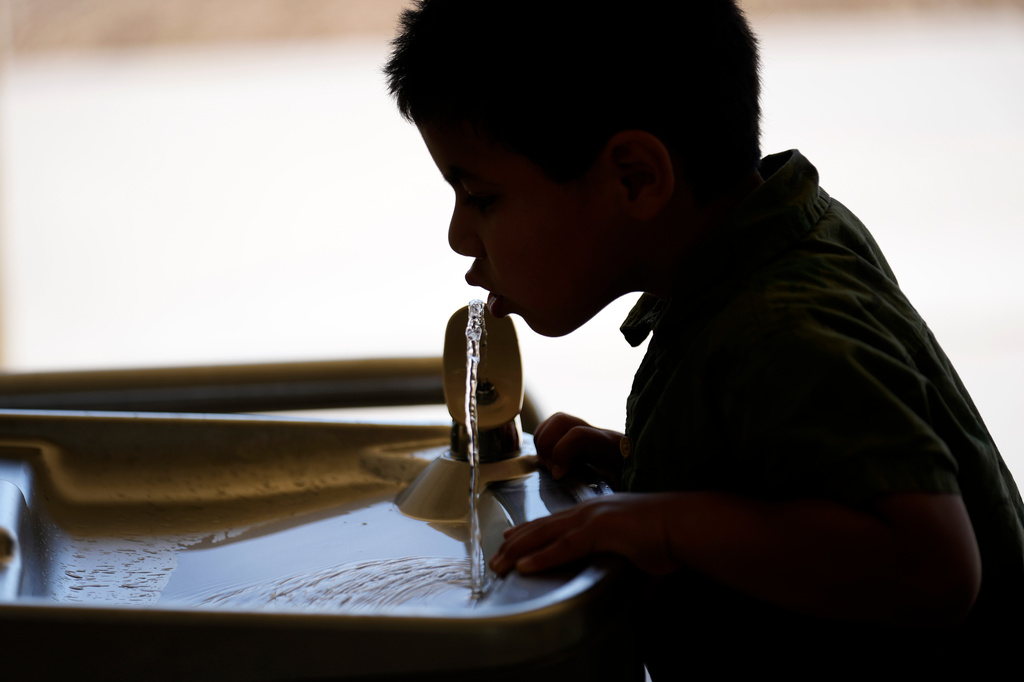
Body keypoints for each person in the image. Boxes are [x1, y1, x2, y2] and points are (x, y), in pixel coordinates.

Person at [386, 0, 1024, 672]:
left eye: (482, 198)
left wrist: (665, 524)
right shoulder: (759, 255)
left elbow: (933, 564)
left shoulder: (783, 324)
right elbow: (801, 472)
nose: (459, 236)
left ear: (635, 178)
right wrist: (653, 463)